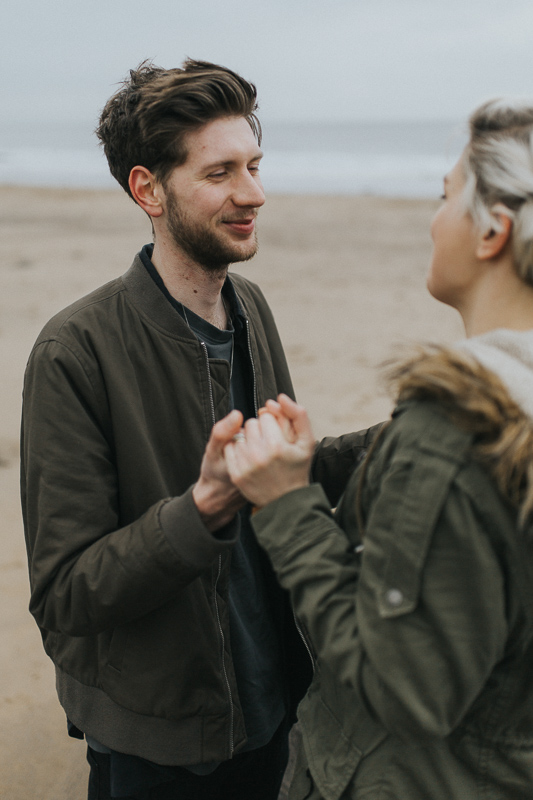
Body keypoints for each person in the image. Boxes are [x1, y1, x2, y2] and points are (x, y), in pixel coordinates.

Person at [20, 59, 378, 800]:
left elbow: (284, 474)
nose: (254, 194)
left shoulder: (251, 308)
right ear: (147, 188)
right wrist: (203, 507)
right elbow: (66, 595)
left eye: (254, 165)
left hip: (278, 707)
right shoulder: (74, 351)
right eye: (220, 173)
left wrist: (409, 436)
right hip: (161, 749)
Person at [213, 99, 533, 799]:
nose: (432, 218)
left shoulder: (456, 438)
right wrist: (327, 463)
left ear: (491, 233)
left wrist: (288, 507)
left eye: (445, 197)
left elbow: (405, 688)